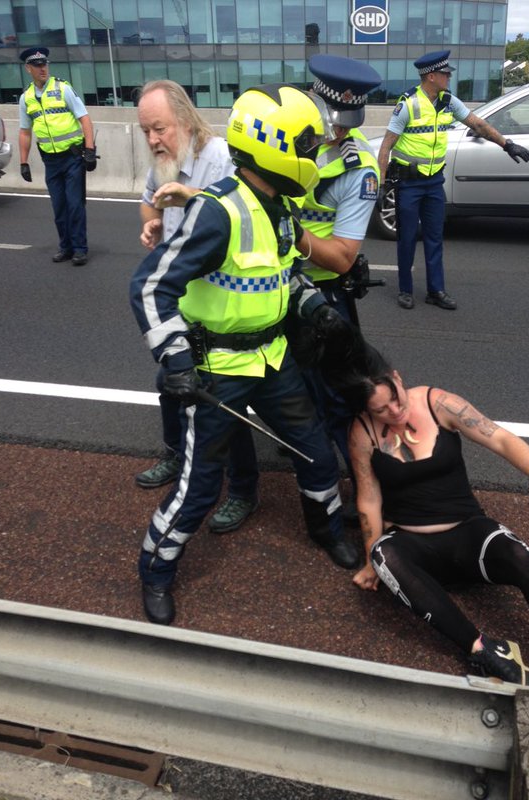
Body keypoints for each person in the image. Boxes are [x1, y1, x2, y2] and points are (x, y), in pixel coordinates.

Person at [130, 83, 360, 625]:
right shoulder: (218, 212)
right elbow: (148, 286)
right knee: (199, 488)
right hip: (217, 370)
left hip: (274, 361)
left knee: (317, 456)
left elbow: (284, 273)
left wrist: (313, 308)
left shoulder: (279, 208)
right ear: (274, 145)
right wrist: (177, 362)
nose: (313, 155)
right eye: (305, 146)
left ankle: (326, 531)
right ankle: (155, 572)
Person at [208, 55, 382, 535]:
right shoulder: (277, 133)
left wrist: (288, 231)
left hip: (320, 297)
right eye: (321, 124)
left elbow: (344, 256)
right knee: (267, 389)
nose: (327, 135)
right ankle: (254, 481)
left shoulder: (358, 168)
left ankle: (356, 494)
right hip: (267, 289)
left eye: (335, 127)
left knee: (337, 400)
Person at [339, 343, 529, 685]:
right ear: (366, 410)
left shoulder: (439, 403)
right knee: (383, 554)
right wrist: (369, 561)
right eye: (381, 410)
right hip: (414, 548)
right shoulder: (361, 433)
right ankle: (483, 649)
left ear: (397, 378)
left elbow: (501, 439)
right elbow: (369, 499)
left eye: (396, 398)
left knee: (521, 559)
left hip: (469, 534)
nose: (395, 410)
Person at [134, 80, 235, 490]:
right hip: (183, 299)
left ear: (186, 119)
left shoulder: (221, 157)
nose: (153, 140)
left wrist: (190, 195)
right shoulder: (163, 158)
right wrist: (152, 223)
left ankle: (236, 484)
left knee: (221, 393)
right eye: (146, 132)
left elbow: (237, 214)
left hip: (220, 298)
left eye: (160, 128)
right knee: (169, 381)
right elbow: (147, 199)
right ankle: (177, 455)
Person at [377, 50, 529, 312]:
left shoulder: (449, 102)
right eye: (445, 74)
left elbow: (478, 124)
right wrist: (381, 187)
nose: (449, 77)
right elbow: (385, 147)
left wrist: (507, 144)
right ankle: (405, 290)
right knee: (406, 238)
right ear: (431, 76)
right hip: (409, 184)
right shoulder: (408, 105)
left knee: (435, 238)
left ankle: (436, 290)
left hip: (434, 182)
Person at [18, 47, 97, 267]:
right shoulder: (27, 99)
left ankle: (80, 248)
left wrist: (89, 150)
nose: (42, 68)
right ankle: (66, 247)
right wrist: (23, 162)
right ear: (28, 69)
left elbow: (84, 118)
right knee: (59, 207)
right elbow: (25, 131)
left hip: (73, 158)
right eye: (37, 65)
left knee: (75, 205)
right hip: (50, 161)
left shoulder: (63, 89)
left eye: (45, 64)